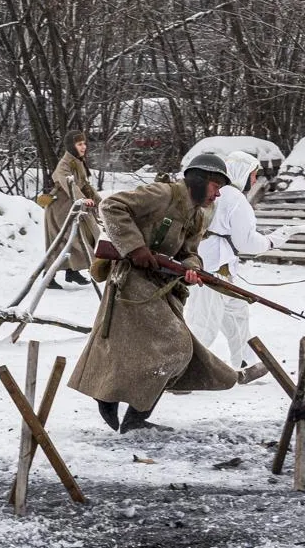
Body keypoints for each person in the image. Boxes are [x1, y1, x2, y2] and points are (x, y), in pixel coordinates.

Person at [67, 153, 243, 433]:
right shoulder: (162, 194)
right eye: (215, 185)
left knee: (154, 351)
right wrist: (135, 247)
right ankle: (115, 403)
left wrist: (191, 268)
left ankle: (129, 415)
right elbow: (112, 207)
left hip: (161, 286)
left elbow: (190, 252)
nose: (217, 193)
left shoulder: (196, 215)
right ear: (198, 181)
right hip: (131, 281)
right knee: (175, 346)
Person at [185, 151, 275, 382]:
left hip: (220, 269)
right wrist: (272, 241)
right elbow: (247, 242)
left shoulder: (215, 192)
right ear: (243, 173)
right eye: (253, 175)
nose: (254, 181)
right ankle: (181, 374)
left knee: (237, 313)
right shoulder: (234, 198)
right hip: (210, 269)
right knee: (203, 323)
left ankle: (245, 361)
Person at [45, 131, 100, 288]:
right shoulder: (65, 164)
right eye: (79, 144)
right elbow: (69, 184)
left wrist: (97, 200)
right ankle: (48, 277)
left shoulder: (78, 161)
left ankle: (72, 271)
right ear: (71, 146)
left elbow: (84, 184)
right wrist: (82, 199)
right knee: (62, 240)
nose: (84, 147)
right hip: (59, 208)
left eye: (84, 143)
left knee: (83, 236)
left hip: (72, 205)